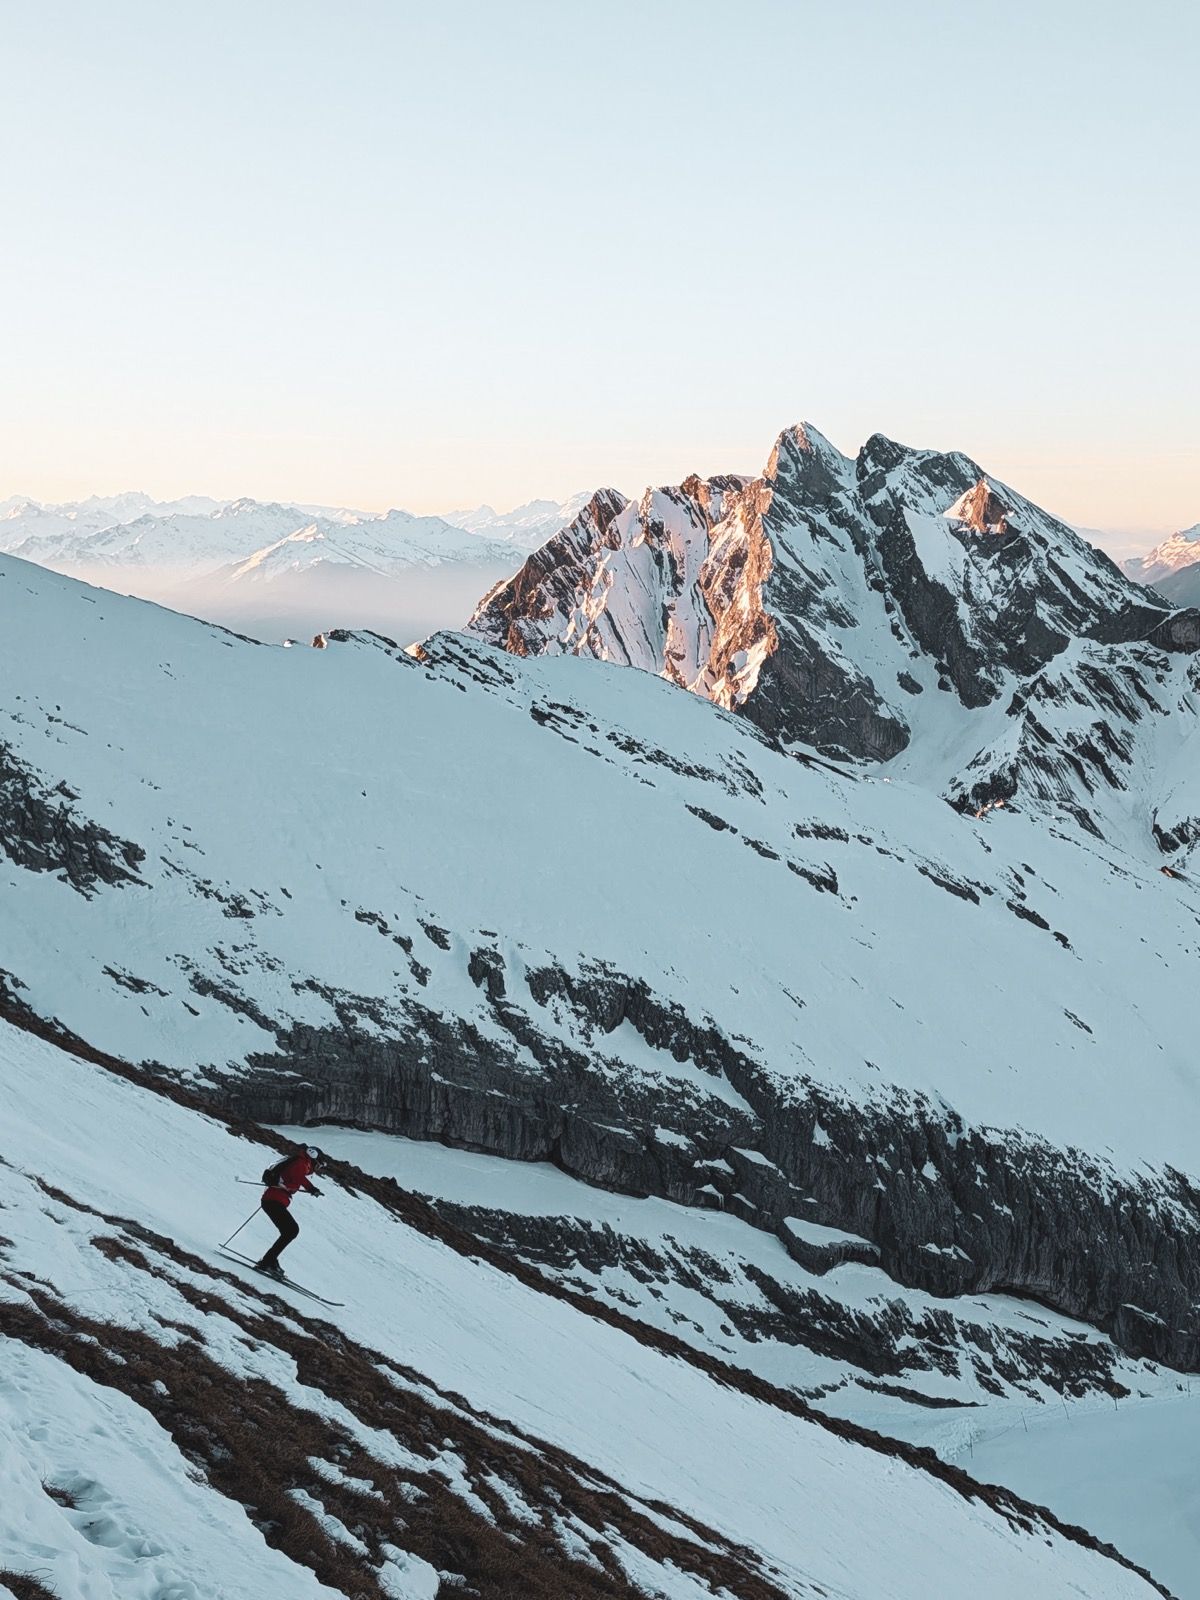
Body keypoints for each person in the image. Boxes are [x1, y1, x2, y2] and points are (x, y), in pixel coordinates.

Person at [255, 1145, 324, 1277]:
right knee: (291, 1230)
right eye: (319, 1163)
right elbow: (299, 1178)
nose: (318, 1167)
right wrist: (312, 1188)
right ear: (313, 1157)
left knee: (289, 1231)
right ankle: (268, 1261)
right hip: (274, 1200)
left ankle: (270, 1260)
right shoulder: (301, 1163)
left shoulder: (299, 1162)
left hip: (273, 1200)